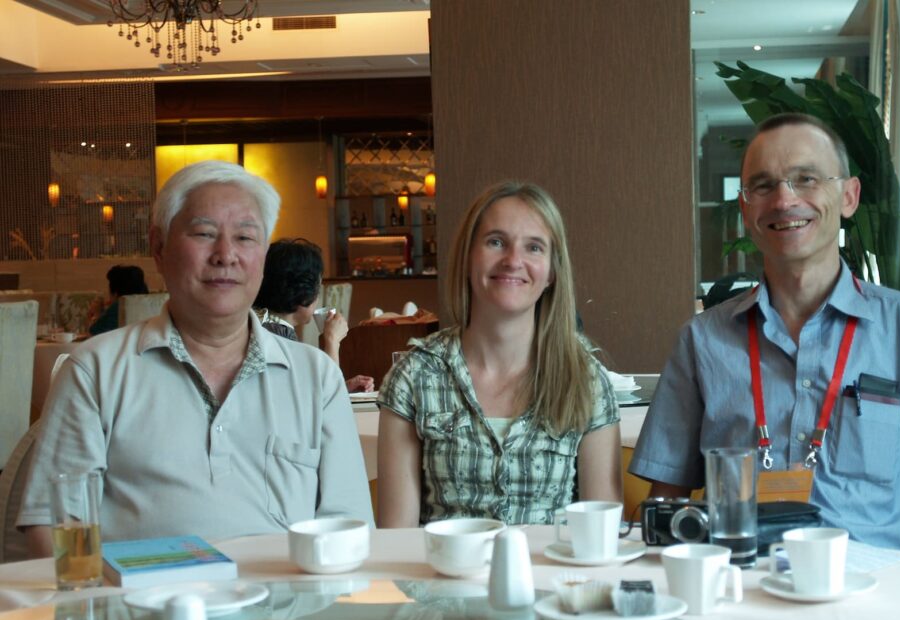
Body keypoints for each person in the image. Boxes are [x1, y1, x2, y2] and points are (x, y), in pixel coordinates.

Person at [629, 113, 900, 567]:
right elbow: (666, 497)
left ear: (849, 196)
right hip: (739, 597)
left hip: (876, 609)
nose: (784, 199)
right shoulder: (702, 340)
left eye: (806, 179)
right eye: (763, 186)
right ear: (745, 209)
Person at [19, 160, 373, 552]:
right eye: (204, 233)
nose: (225, 255)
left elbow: (350, 525)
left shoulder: (316, 376)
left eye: (244, 237)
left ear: (263, 258)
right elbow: (53, 526)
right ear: (159, 248)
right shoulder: (95, 370)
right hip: (143, 604)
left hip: (283, 607)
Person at [376, 181, 622, 528]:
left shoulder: (586, 378)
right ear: (467, 257)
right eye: (496, 242)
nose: (513, 261)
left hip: (552, 582)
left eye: (534, 248)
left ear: (552, 272)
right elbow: (398, 541)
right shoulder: (414, 376)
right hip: (446, 579)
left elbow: (602, 538)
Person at [253, 238, 374, 393]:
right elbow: (324, 400)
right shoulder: (277, 336)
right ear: (304, 294)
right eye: (318, 286)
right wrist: (332, 341)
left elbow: (301, 390)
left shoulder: (261, 324)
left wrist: (343, 387)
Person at [87, 264, 149, 336]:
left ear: (115, 293)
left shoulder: (118, 307)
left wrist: (96, 315)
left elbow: (92, 337)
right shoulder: (148, 303)